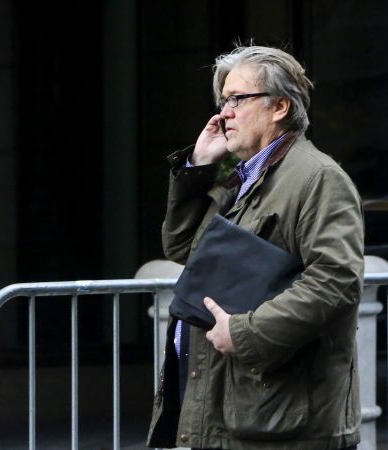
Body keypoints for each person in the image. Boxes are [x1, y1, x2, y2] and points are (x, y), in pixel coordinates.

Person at [147, 45, 365, 450]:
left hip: (280, 418)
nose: (223, 114)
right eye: (222, 101)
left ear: (279, 106)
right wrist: (198, 166)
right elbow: (182, 248)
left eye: (237, 99)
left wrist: (246, 333)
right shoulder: (240, 176)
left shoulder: (318, 177)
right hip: (235, 406)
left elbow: (337, 281)